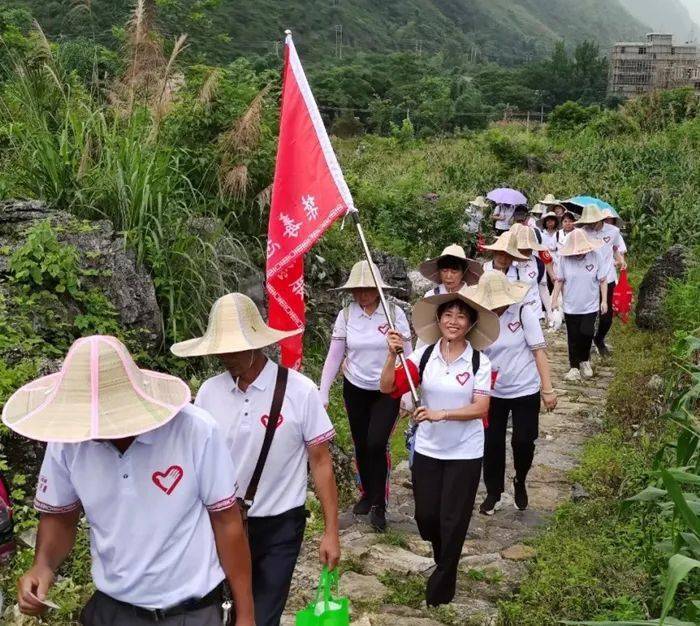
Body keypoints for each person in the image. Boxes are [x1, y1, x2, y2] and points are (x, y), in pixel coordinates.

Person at [6, 335, 254, 626]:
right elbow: (60, 516)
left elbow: (227, 522)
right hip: (114, 610)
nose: (94, 429)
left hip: (191, 611)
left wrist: (246, 614)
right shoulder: (68, 440)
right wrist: (43, 566)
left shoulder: (194, 431)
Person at [172, 294, 340, 626]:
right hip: (224, 524)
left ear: (254, 344)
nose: (224, 356)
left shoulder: (299, 391)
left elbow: (321, 462)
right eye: (220, 348)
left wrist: (331, 531)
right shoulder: (208, 393)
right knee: (225, 612)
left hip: (281, 524)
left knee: (263, 615)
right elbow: (197, 462)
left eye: (232, 348)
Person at [379, 287, 499, 607]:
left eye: (461, 316)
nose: (454, 320)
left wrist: (440, 414)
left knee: (453, 520)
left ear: (471, 323)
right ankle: (442, 553)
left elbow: (481, 408)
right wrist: (392, 355)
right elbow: (388, 387)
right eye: (448, 314)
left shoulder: (478, 362)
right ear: (438, 319)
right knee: (426, 516)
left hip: (465, 452)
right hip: (429, 449)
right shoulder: (424, 355)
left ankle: (441, 590)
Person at [319, 260, 412, 531]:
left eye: (368, 288)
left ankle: (380, 502)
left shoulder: (394, 314)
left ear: (378, 287)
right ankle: (367, 493)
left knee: (376, 443)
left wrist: (407, 391)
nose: (362, 294)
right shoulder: (346, 315)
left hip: (388, 388)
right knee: (361, 444)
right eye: (357, 289)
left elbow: (408, 353)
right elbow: (335, 354)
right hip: (355, 387)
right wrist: (322, 390)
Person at [465, 271, 557, 515]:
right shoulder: (477, 318)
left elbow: (539, 352)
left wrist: (547, 389)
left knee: (523, 441)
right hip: (491, 391)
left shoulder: (522, 312)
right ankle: (494, 492)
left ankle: (520, 479)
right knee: (491, 443)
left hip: (524, 387)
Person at [551, 230, 608, 381]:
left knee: (587, 333)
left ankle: (585, 360)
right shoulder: (564, 259)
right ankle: (574, 366)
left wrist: (604, 301)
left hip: (590, 305)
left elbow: (602, 280)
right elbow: (559, 280)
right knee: (573, 337)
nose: (578, 253)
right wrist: (554, 299)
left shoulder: (596, 256)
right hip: (571, 305)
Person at [575, 204, 628, 357]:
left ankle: (599, 339)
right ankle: (586, 344)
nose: (591, 224)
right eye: (588, 221)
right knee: (588, 314)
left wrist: (620, 260)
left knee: (607, 317)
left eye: (594, 221)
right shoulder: (582, 232)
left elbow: (616, 249)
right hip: (588, 278)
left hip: (608, 277)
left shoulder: (613, 231)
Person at [508, 224, 552, 321]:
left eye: (529, 248)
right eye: (522, 248)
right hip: (511, 313)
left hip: (534, 311)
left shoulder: (539, 264)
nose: (526, 251)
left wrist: (549, 311)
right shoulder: (507, 263)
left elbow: (543, 287)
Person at [538, 211, 560, 292]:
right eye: (548, 221)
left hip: (557, 259)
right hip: (544, 259)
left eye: (552, 220)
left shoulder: (559, 233)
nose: (550, 222)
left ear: (555, 222)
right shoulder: (541, 234)